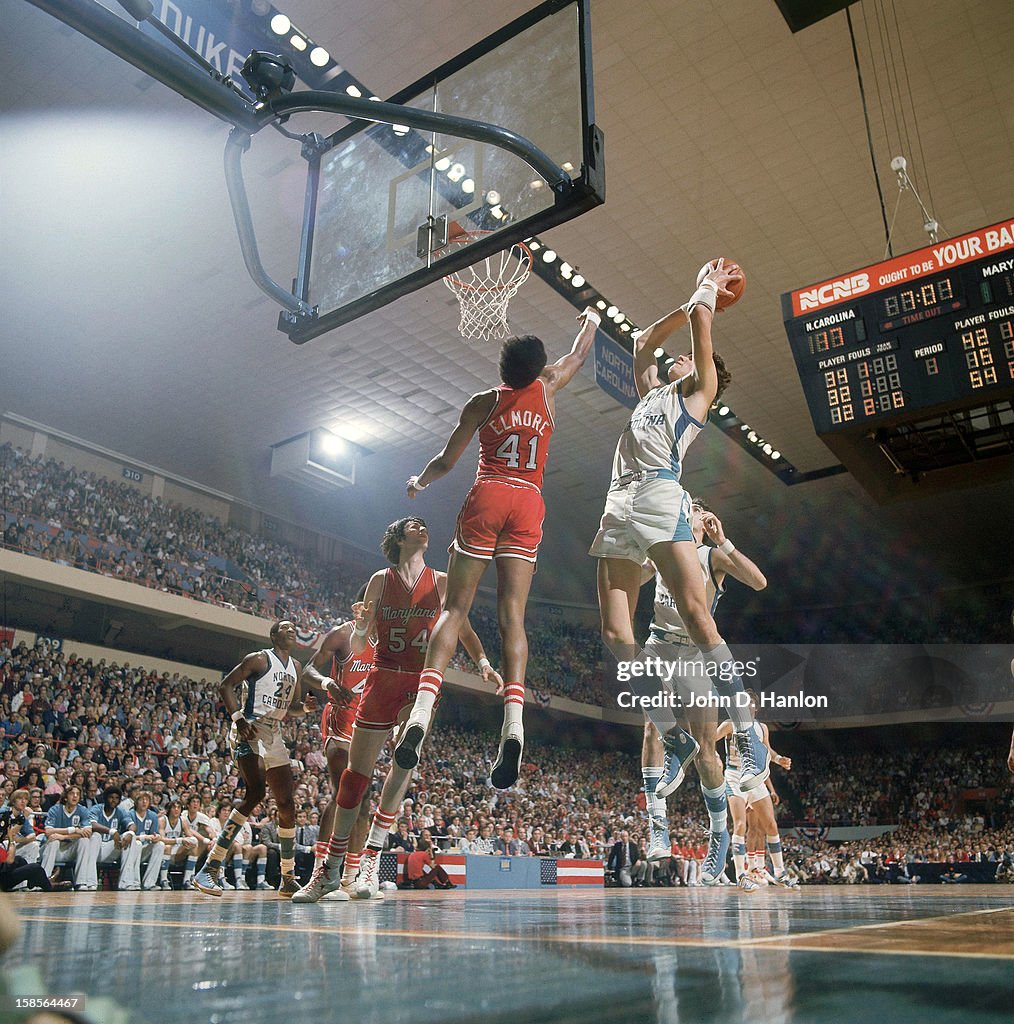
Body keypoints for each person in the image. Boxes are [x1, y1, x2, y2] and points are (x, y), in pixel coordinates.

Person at [588, 260, 769, 884]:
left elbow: (697, 323)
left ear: (701, 371)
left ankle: (742, 733)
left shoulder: (698, 398)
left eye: (691, 360)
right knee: (614, 636)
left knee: (696, 613)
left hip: (662, 493)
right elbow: (642, 343)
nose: (680, 362)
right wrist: (674, 311)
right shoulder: (651, 395)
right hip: (619, 500)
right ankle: (684, 742)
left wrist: (705, 290)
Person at [395, 309, 602, 789]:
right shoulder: (549, 388)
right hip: (528, 501)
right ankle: (514, 725)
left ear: (503, 368)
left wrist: (418, 482)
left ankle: (421, 715)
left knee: (455, 608)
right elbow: (578, 354)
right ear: (536, 369)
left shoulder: (483, 401)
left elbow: (447, 460)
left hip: (489, 492)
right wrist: (591, 321)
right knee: (513, 617)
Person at [293, 517, 499, 903]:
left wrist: (484, 662)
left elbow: (463, 626)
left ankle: (371, 854)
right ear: (397, 538)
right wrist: (358, 627)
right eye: (413, 524)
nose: (422, 527)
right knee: (356, 779)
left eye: (424, 524)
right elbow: (358, 643)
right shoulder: (379, 581)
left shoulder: (440, 581)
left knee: (406, 757)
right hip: (383, 674)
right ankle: (331, 871)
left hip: (422, 678)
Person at [639, 502, 767, 884]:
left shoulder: (710, 554)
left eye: (692, 507)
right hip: (660, 642)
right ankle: (657, 824)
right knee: (651, 727)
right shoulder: (662, 547)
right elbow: (635, 576)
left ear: (704, 519)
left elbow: (758, 581)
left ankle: (718, 835)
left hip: (695, 651)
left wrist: (723, 540)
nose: (684, 509)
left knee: (706, 750)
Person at [192, 620, 322, 898]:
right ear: (274, 635)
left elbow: (294, 708)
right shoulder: (259, 659)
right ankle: (211, 867)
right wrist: (238, 719)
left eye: (293, 628)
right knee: (256, 792)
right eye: (285, 628)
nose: (291, 630)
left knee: (287, 803)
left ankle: (287, 878)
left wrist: (306, 709)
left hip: (274, 733)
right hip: (249, 727)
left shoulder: (296, 667)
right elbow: (226, 686)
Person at [304, 588, 376, 895]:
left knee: (364, 803)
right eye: (371, 605)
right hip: (339, 718)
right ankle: (321, 870)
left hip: (366, 724)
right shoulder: (341, 635)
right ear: (359, 606)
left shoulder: (385, 642)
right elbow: (307, 668)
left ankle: (350, 875)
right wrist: (326, 682)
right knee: (343, 793)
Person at [77, 785, 140, 892]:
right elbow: (92, 825)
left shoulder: (120, 811)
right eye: (111, 797)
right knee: (95, 836)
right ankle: (90, 882)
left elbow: (132, 825)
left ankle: (126, 882)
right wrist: (112, 831)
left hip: (110, 849)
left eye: (116, 798)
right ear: (105, 798)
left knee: (132, 838)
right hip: (94, 849)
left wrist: (130, 832)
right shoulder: (96, 809)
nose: (113, 800)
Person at [40, 784, 91, 887]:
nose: (75, 796)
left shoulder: (83, 810)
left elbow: (88, 832)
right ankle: (43, 881)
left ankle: (81, 882)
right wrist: (73, 830)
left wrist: (63, 836)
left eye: (77, 794)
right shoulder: (55, 809)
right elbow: (49, 831)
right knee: (53, 841)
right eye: (72, 793)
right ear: (65, 797)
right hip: (52, 849)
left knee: (85, 841)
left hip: (71, 849)